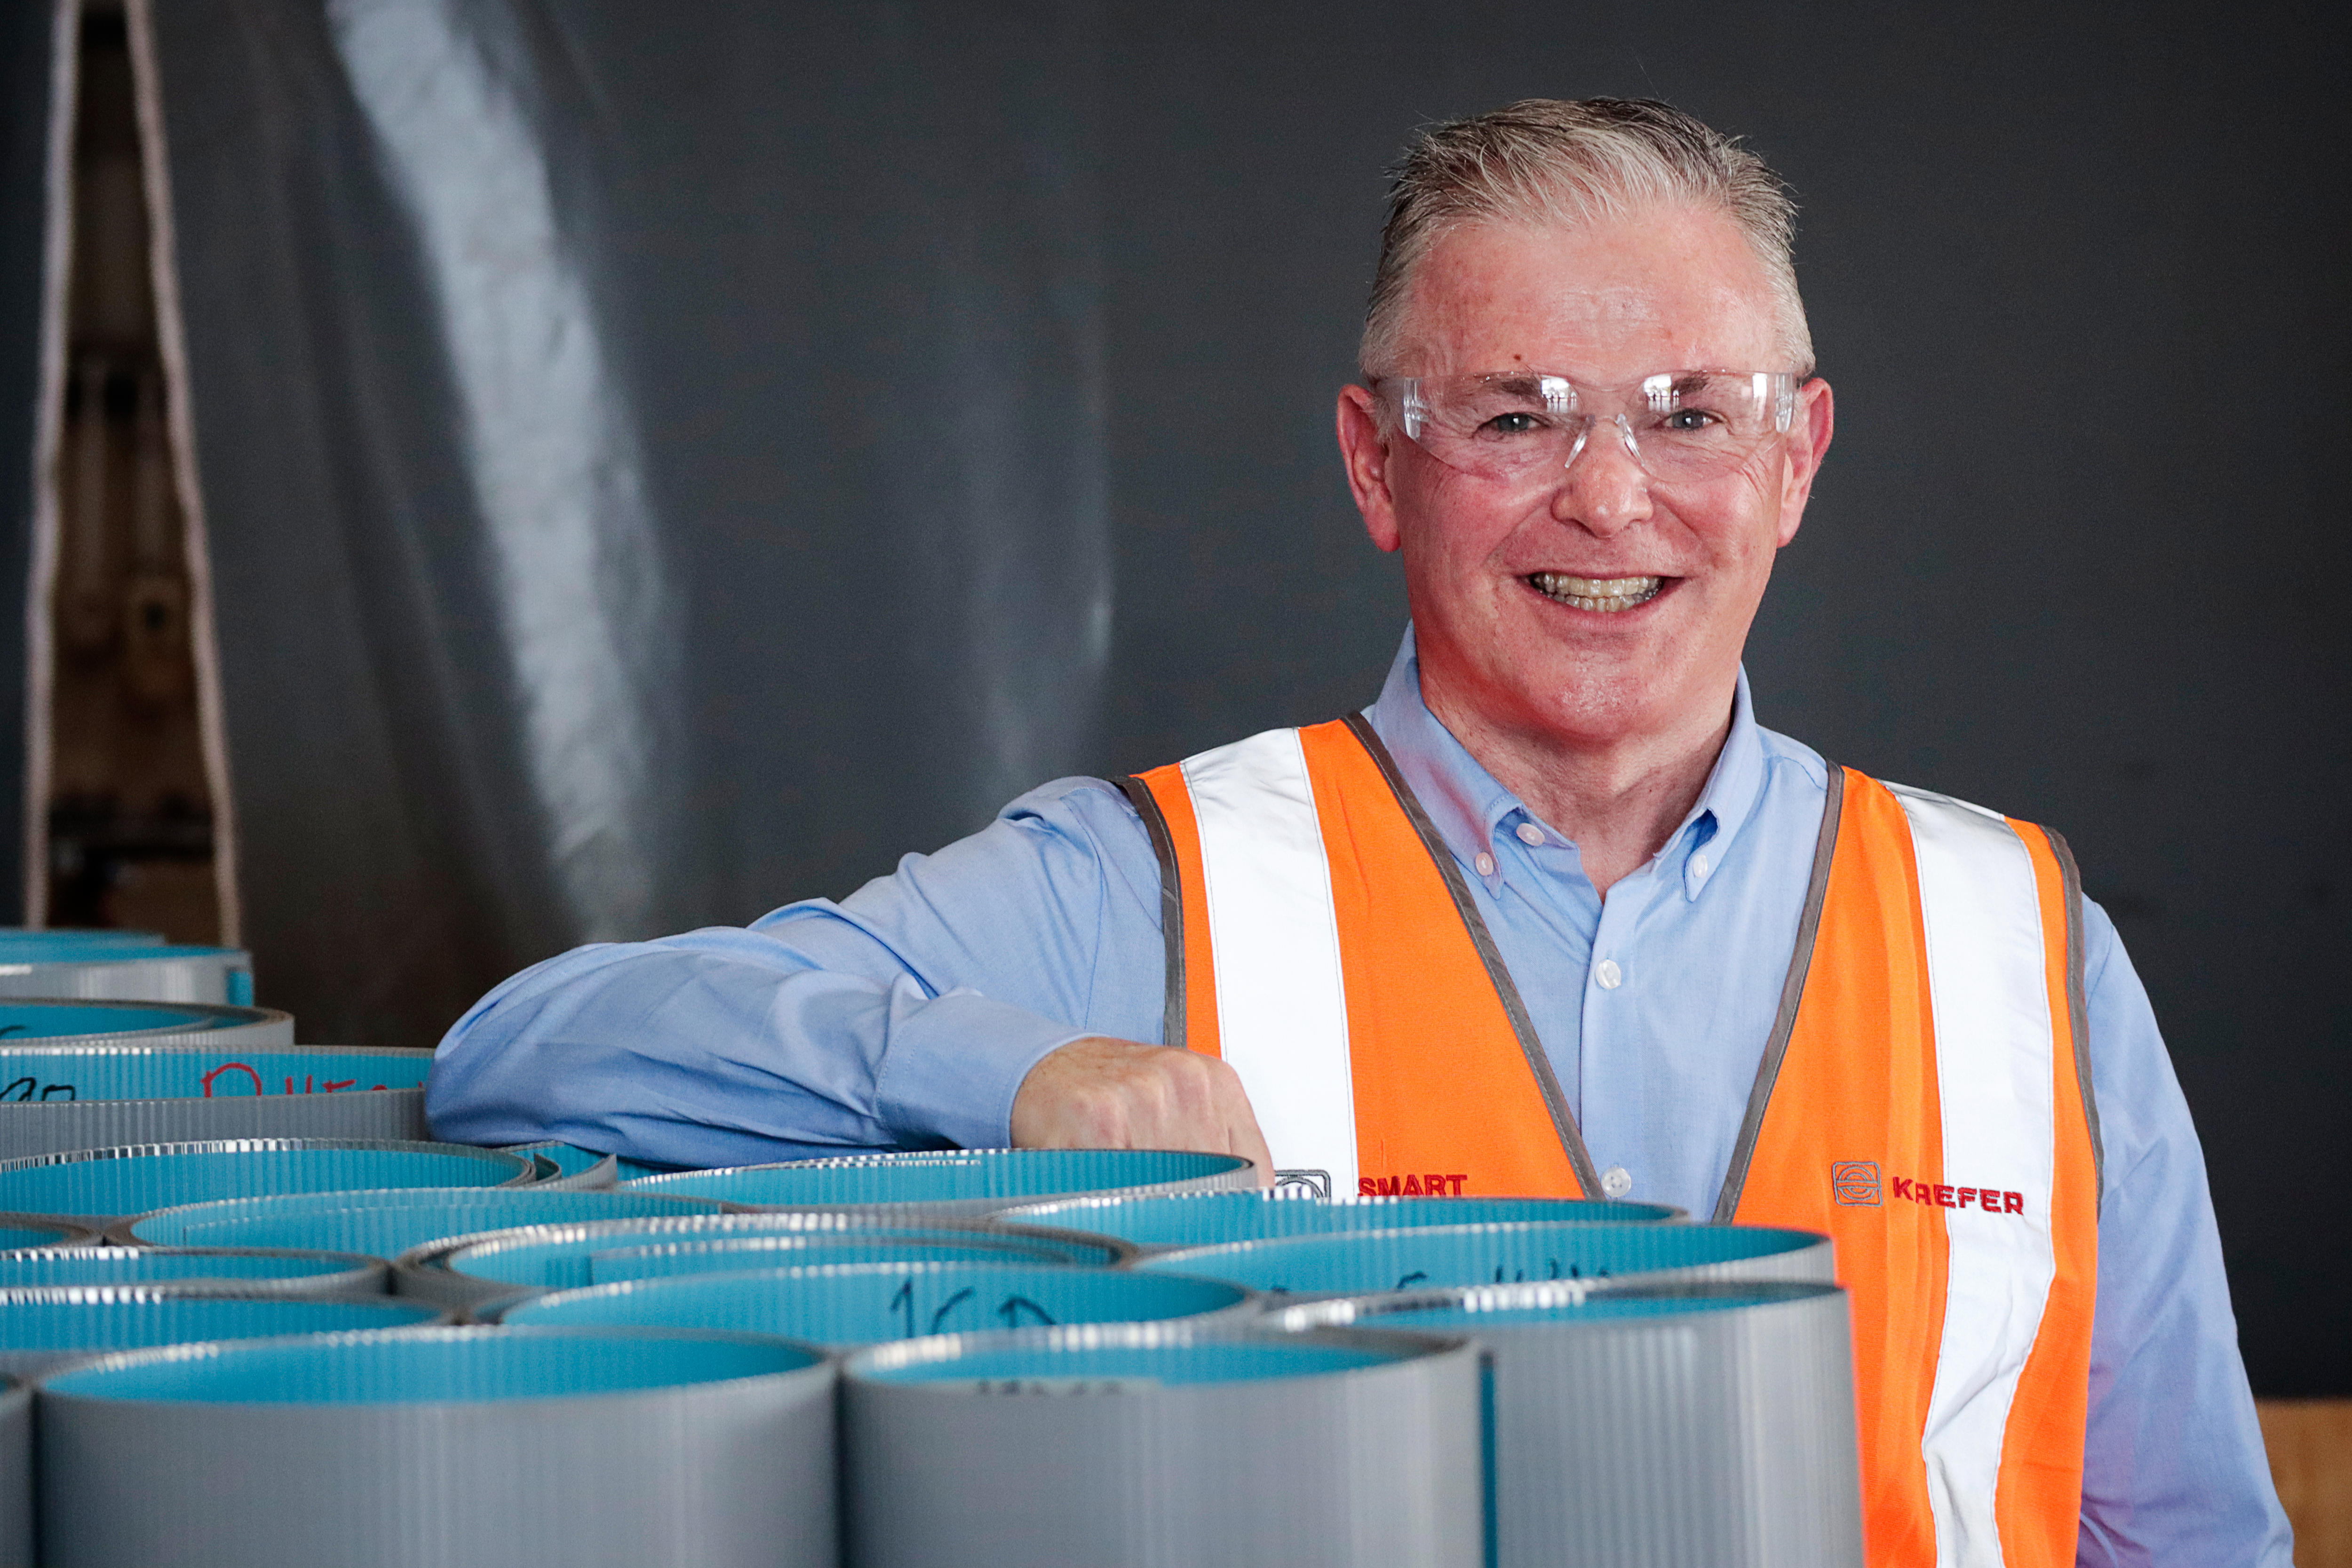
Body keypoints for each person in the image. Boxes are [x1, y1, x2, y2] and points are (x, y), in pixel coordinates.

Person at [429, 99, 2291, 1566]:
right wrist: (1011, 1073)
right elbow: (525, 1058)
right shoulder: (1140, 896)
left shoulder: (2012, 946)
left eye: (1687, 415)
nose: (1611, 494)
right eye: (1512, 416)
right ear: (1369, 461)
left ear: (1795, 459)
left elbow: (2175, 1534)